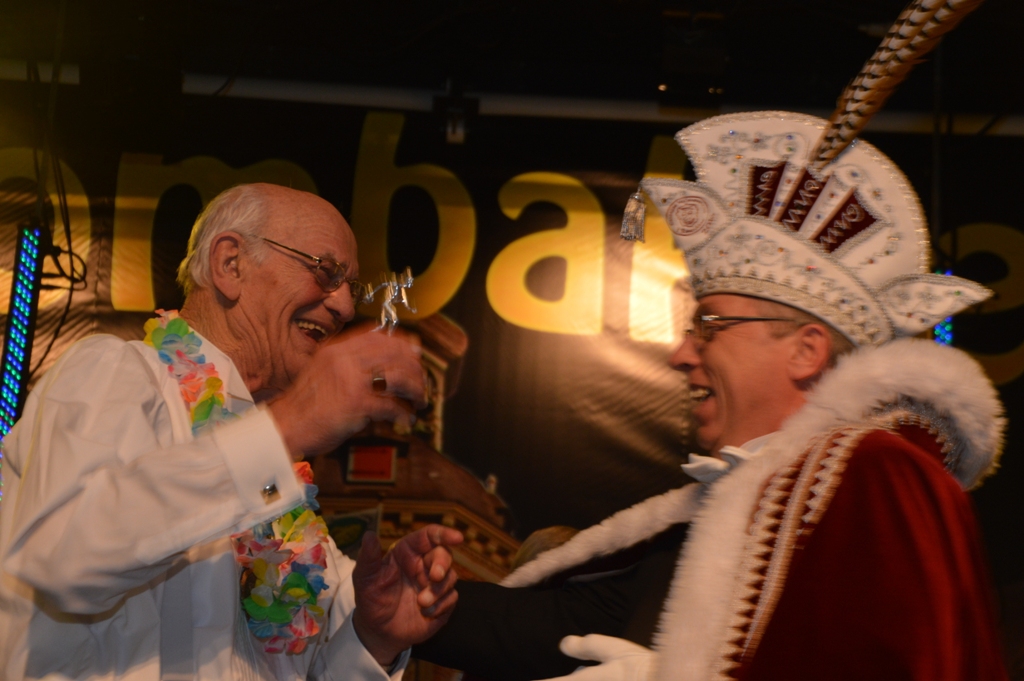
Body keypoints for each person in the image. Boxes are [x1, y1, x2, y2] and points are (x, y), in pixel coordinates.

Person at [413, 111, 1009, 680]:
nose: (681, 352)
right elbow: (560, 624)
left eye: (709, 325)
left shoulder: (881, 477)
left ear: (806, 351)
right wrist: (388, 603)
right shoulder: (723, 518)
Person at [0, 183, 463, 681]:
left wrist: (373, 637)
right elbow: (61, 553)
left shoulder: (286, 501)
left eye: (350, 285)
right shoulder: (117, 372)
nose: (346, 306)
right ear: (230, 264)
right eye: (326, 271)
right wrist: (286, 426)